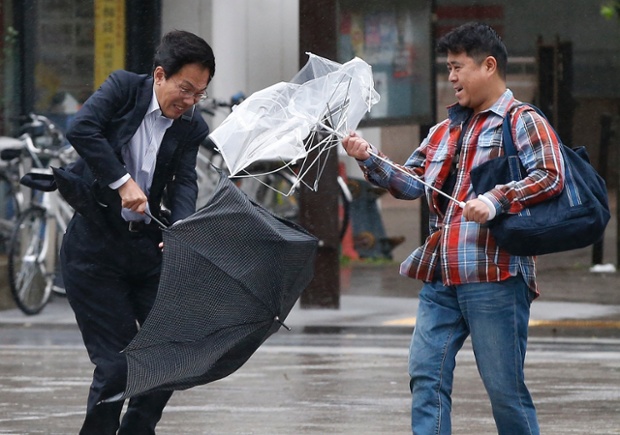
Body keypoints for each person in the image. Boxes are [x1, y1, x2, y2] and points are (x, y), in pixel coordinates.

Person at [342, 22, 564, 434]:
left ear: (489, 66)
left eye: (458, 67)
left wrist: (496, 200)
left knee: (504, 391)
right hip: (441, 276)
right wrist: (368, 157)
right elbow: (411, 182)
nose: (451, 78)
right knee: (426, 377)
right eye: (448, 68)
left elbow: (551, 175)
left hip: (495, 277)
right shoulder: (444, 130)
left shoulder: (522, 121)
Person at [59, 30, 215, 434]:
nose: (189, 102)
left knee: (169, 355)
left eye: (199, 94)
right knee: (116, 367)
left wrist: (181, 226)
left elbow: (184, 182)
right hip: (94, 249)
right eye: (185, 89)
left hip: (147, 249)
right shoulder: (123, 89)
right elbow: (82, 129)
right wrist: (122, 181)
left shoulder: (189, 125)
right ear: (160, 75)